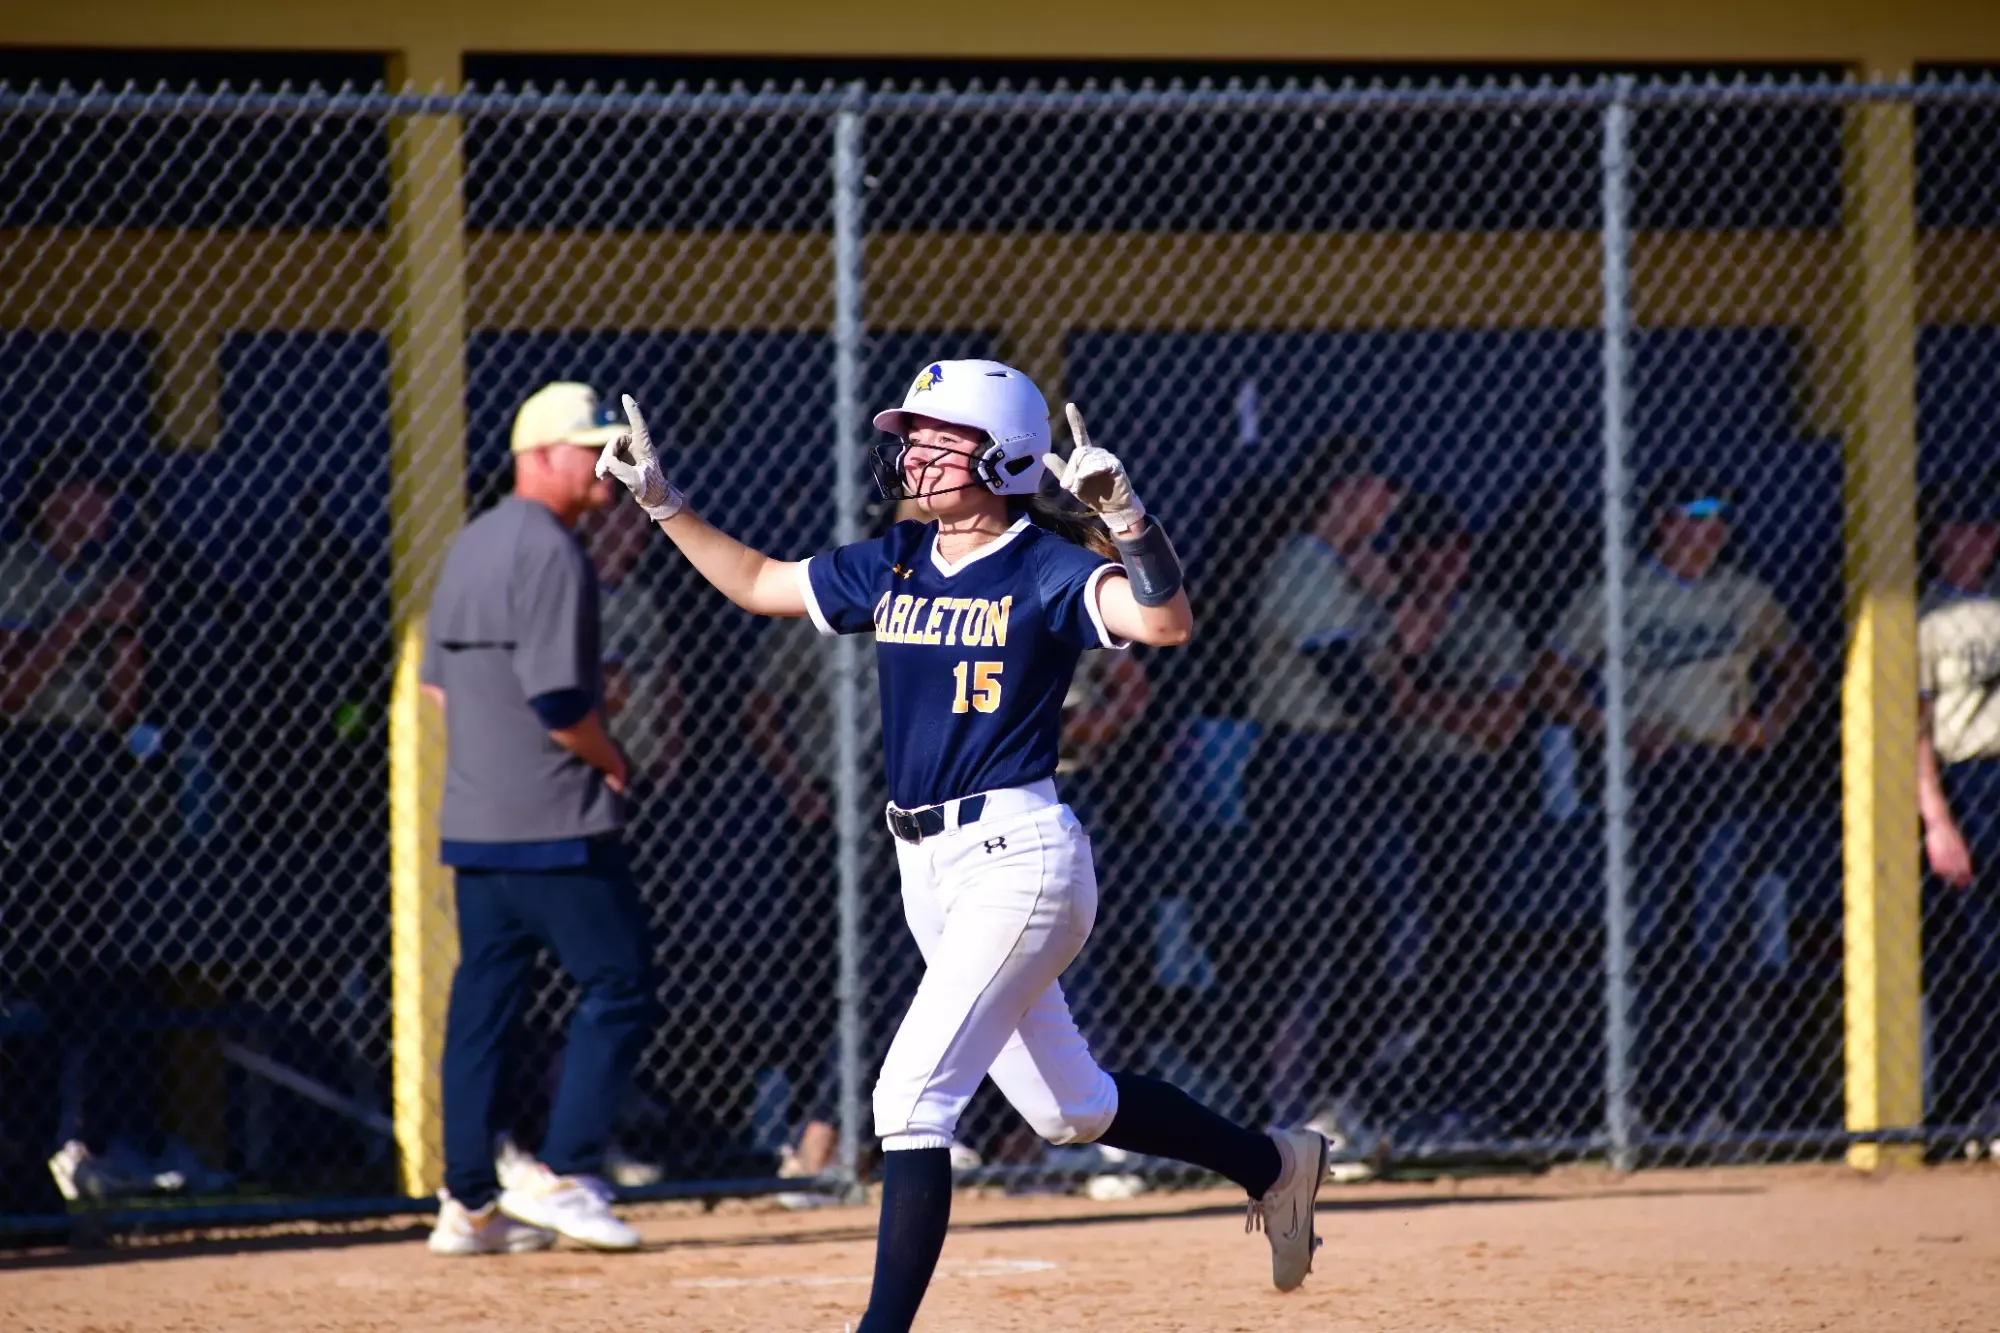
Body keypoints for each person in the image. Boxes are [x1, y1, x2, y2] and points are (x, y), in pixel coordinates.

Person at [596, 359, 1329, 1329]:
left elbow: (1164, 621)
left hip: (1018, 857)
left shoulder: (1043, 564)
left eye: (942, 441)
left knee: (909, 1098)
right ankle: (1274, 1162)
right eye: (915, 439)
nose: (916, 457)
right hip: (927, 866)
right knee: (1070, 1110)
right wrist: (663, 505)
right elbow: (760, 582)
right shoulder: (899, 557)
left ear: (1009, 457)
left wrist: (1129, 521)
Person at [418, 382, 656, 1256]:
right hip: (555, 819)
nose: (604, 465)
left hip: (478, 819)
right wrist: (610, 756)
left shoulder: (471, 541)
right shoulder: (554, 549)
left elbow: (437, 687)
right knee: (621, 983)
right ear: (539, 455)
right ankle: (567, 1173)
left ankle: (468, 1202)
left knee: (484, 1005)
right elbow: (559, 703)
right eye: (589, 448)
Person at [1535, 468, 1818, 1136]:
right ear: (1662, 521)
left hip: (1721, 772)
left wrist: (1769, 723)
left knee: (1711, 935)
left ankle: (1706, 1107)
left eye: (1718, 513)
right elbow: (1549, 678)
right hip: (1651, 779)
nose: (1711, 527)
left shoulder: (1742, 594)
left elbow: (1800, 667)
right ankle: (1637, 1105)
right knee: (1648, 935)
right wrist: (1616, 727)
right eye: (1696, 512)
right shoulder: (1620, 591)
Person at [0, 450, 168, 1202]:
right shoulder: (17, 569)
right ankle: (23, 1144)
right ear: (50, 501)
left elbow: (124, 706)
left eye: (107, 497)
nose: (102, 511)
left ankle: (89, 1139)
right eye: (87, 493)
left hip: (90, 766)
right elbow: (12, 689)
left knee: (92, 958)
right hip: (25, 762)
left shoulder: (107, 576)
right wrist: (83, 619)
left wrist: (126, 629)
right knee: (27, 956)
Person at [1241, 439, 1403, 1144]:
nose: (1388, 505)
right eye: (1377, 489)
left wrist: (1388, 601)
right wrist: (1408, 696)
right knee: (1316, 936)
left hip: (1345, 763)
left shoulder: (1352, 568)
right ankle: (1285, 1108)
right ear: (1341, 493)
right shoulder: (1304, 562)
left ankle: (1327, 1101)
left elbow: (1398, 664)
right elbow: (1356, 684)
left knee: (1360, 936)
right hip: (1305, 763)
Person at [1370, 493, 1529, 1138]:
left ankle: (1465, 1094)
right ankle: (1393, 1095)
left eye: (1455, 547)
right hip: (1396, 787)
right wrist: (1448, 704)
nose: (1444, 561)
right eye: (1428, 547)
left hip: (1468, 789)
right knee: (1398, 937)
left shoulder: (1490, 621)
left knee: (1468, 941)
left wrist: (1425, 703)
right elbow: (1384, 705)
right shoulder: (1383, 617)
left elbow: (1502, 726)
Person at [1915, 484, 2000, 1126]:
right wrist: (1938, 821)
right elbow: (1913, 730)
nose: (1970, 541)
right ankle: (1976, 1108)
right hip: (1968, 784)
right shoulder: (1926, 618)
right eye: (1958, 527)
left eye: (1982, 528)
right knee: (1974, 954)